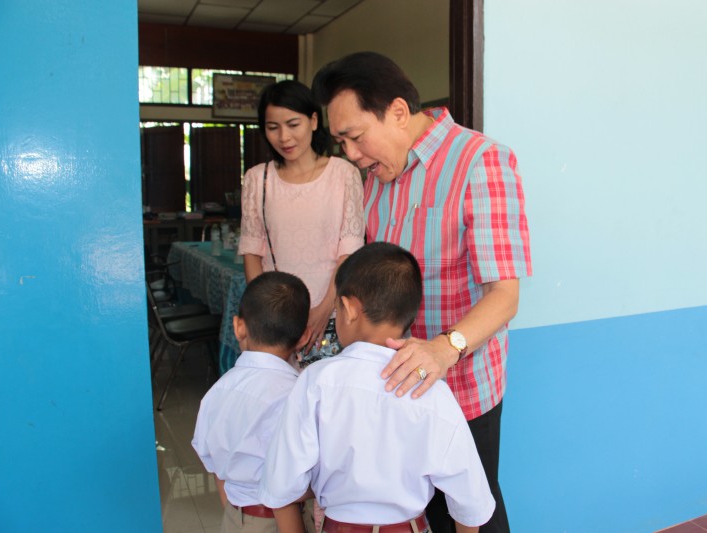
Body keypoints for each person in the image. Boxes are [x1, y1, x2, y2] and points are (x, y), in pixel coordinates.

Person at [312, 52, 532, 533]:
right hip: (398, 384)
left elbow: (504, 294)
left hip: (462, 383)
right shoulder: (377, 178)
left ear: (396, 111)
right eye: (341, 142)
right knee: (422, 510)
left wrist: (444, 349)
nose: (351, 154)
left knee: (473, 512)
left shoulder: (479, 161)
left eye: (355, 136)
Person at [261, 242, 495, 533]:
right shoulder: (433, 391)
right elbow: (471, 502)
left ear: (349, 309)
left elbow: (281, 484)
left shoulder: (315, 382)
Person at [238, 79, 365, 367]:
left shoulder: (343, 174)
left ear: (314, 121)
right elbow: (252, 251)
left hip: (333, 314)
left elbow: (350, 251)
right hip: (277, 321)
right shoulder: (258, 179)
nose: (284, 137)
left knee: (325, 390)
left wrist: (324, 308)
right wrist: (266, 314)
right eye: (273, 127)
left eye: (293, 124)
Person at [192, 271, 316, 533]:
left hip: (234, 517)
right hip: (279, 522)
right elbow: (284, 491)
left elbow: (217, 469)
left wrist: (238, 517)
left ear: (239, 327)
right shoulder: (297, 396)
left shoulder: (217, 391)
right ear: (304, 336)